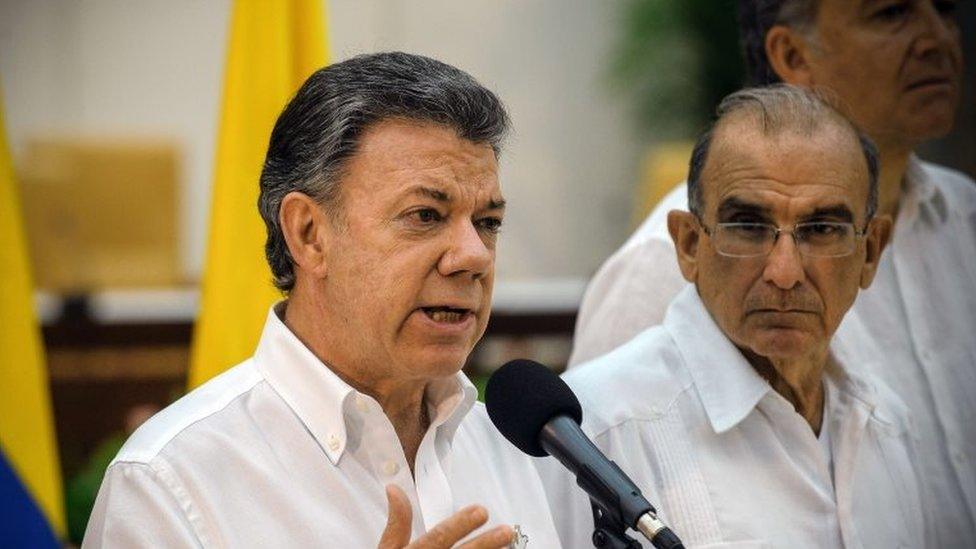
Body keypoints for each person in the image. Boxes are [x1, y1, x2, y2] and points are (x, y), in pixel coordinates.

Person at [83, 52, 559, 548]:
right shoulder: (169, 482)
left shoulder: (515, 444)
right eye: (425, 215)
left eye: (488, 223)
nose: (473, 255)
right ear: (309, 234)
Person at [569, 1, 975, 544]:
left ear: (870, 252)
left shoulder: (881, 420)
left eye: (823, 230)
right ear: (688, 245)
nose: (784, 273)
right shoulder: (604, 421)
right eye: (748, 228)